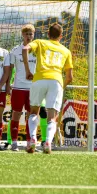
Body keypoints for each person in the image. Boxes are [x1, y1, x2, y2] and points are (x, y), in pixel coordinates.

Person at [23, 23, 73, 154]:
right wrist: (61, 87)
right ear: (61, 36)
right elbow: (69, 77)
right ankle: (48, 143)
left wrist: (28, 70)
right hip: (56, 81)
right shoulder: (66, 51)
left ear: (48, 34)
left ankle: (32, 140)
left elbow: (25, 49)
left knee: (34, 112)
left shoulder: (40, 42)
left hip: (39, 79)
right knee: (52, 117)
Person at [8, 24, 36, 151]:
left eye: (31, 34)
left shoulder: (38, 51)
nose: (29, 36)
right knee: (16, 114)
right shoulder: (15, 50)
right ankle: (14, 142)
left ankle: (30, 142)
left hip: (33, 88)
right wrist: (8, 84)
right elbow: (11, 69)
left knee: (31, 116)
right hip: (18, 87)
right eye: (27, 34)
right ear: (22, 35)